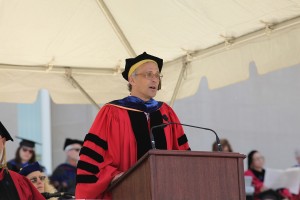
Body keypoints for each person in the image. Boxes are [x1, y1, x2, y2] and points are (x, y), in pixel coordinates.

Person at [75, 52, 190, 199]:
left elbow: (182, 153)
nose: (155, 79)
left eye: (157, 75)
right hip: (125, 193)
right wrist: (114, 176)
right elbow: (93, 159)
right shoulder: (111, 112)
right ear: (132, 79)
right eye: (149, 74)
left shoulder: (166, 112)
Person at [0, 121, 45, 200]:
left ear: (3, 142)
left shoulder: (18, 180)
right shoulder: (10, 165)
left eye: (30, 151)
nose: (27, 153)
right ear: (19, 150)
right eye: (25, 150)